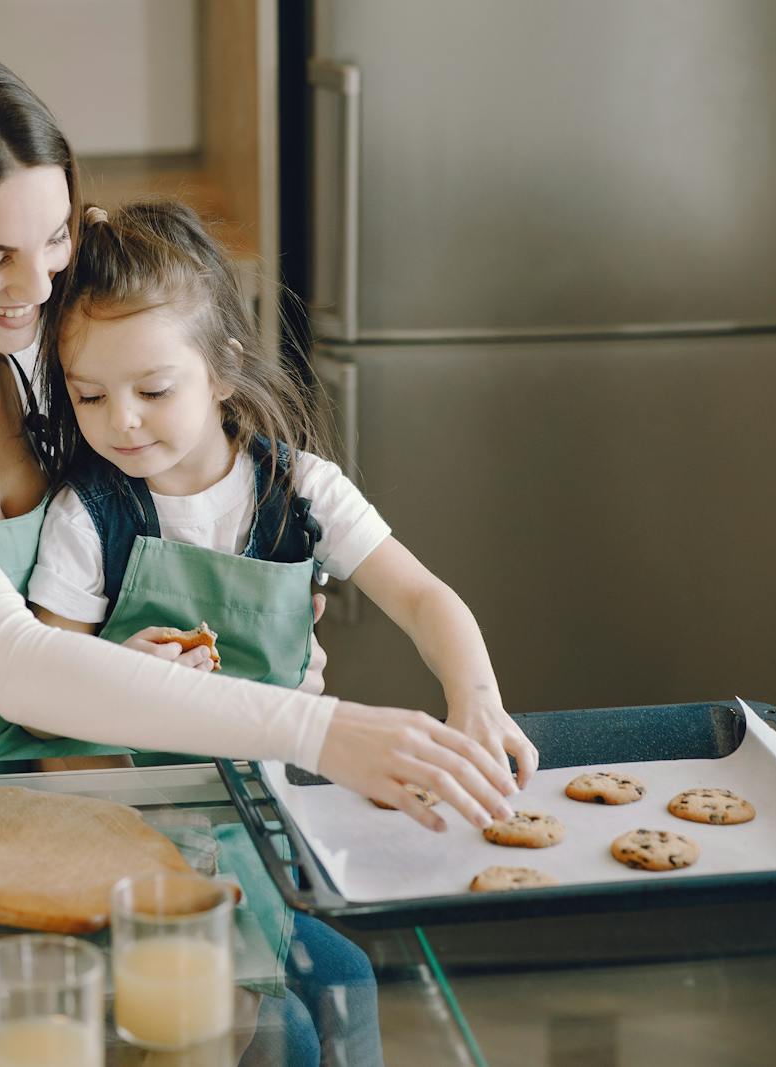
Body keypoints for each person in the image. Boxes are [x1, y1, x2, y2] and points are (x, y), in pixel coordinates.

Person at [0, 43, 525, 830]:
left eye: (55, 237)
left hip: (7, 798)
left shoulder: (39, 364)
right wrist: (325, 732)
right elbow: (16, 662)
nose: (36, 288)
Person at [26, 198, 538, 800]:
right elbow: (39, 701)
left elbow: (423, 598)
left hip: (276, 798)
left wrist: (477, 702)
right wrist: (117, 675)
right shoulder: (84, 517)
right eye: (89, 397)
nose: (124, 421)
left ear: (222, 372)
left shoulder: (300, 491)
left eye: (154, 390)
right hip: (135, 815)